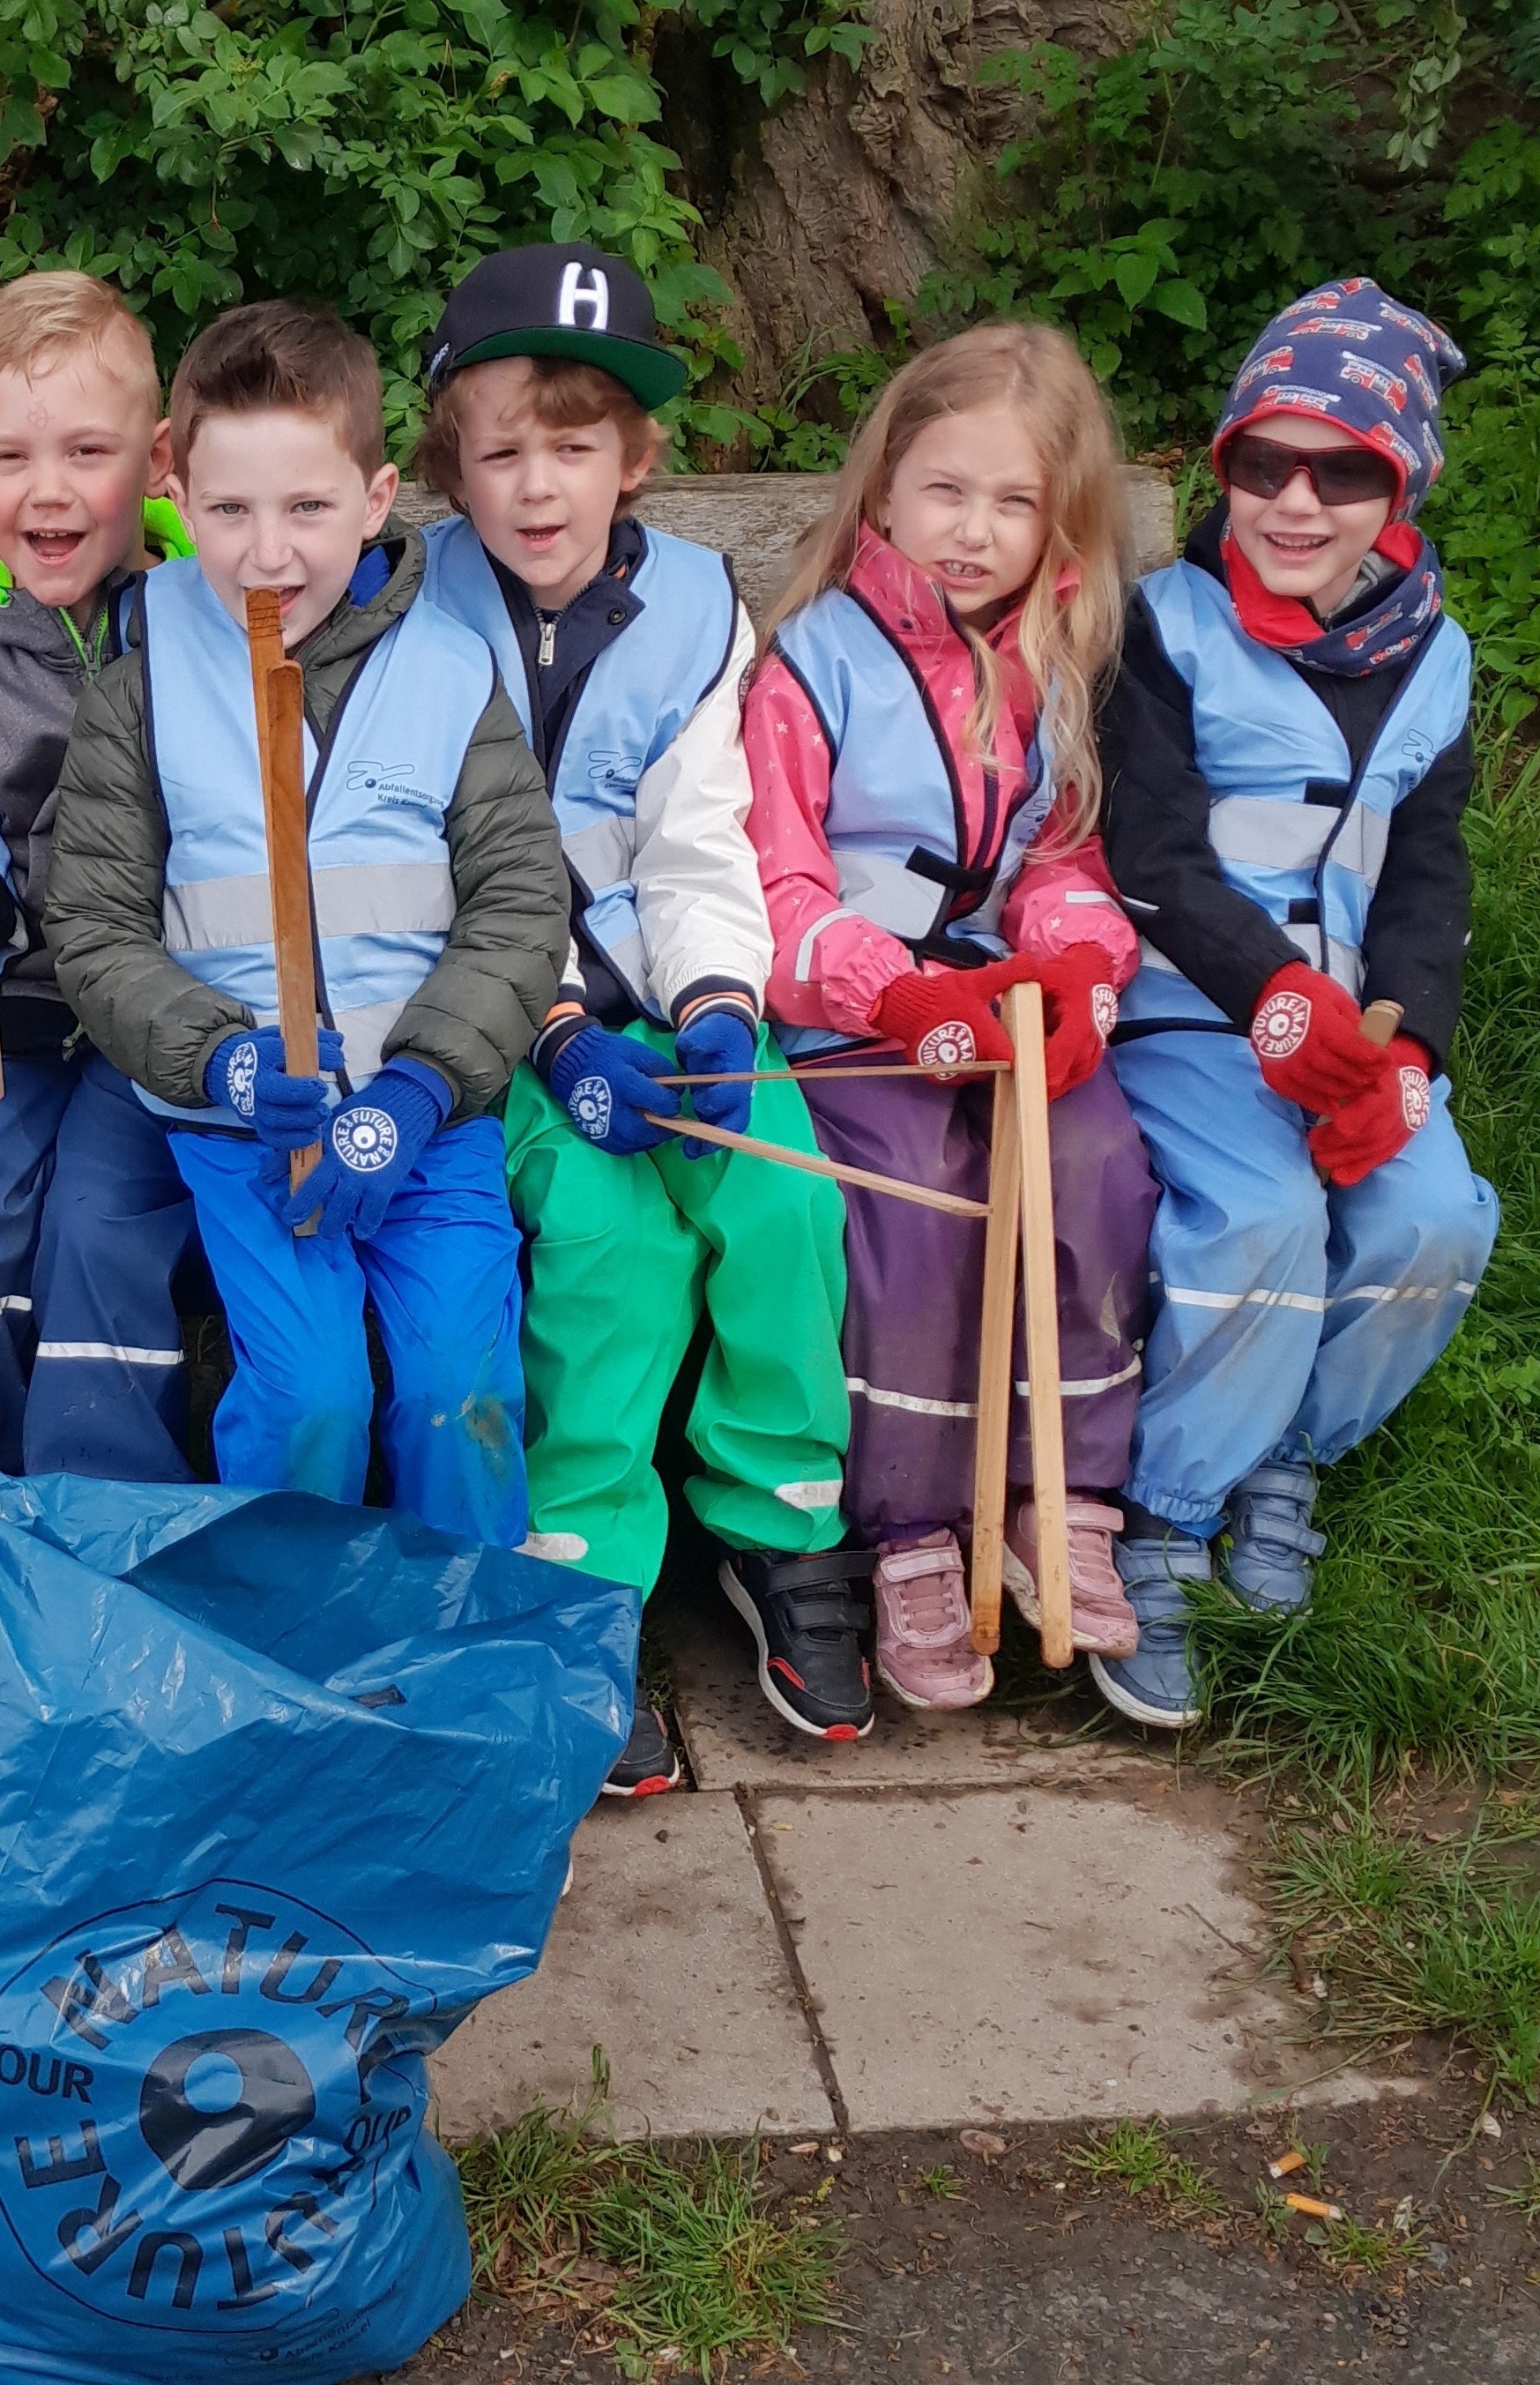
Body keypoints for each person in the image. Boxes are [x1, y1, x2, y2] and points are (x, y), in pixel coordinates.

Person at [412, 244, 856, 1773]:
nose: (541, 486)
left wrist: (721, 1012)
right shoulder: (419, 607)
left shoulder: (694, 610)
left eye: (577, 443)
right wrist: (550, 1033)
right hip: (504, 1021)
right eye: (503, 449)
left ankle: (775, 1517)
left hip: (669, 998)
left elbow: (700, 835)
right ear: (452, 465)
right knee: (612, 1244)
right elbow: (434, 862)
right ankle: (587, 1572)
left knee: (787, 1194)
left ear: (638, 455)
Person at [46, 300, 568, 1547]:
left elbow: (518, 905)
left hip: (431, 1117)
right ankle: (286, 1650)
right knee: (310, 1393)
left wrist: (423, 1090)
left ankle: (461, 1651)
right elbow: (98, 929)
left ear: (379, 497)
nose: (265, 553)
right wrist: (226, 1056)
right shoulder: (145, 676)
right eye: (228, 511)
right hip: (243, 1123)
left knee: (460, 1393)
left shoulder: (451, 671)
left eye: (308, 509)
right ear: (178, 485)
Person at [1095, 281, 1499, 1728]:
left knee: (1432, 1218)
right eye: (1262, 463)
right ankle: (1162, 1519)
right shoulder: (1168, 625)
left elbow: (1426, 873)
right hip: (1195, 1011)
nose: (1295, 501)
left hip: (1357, 1029)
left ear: (1401, 489)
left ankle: (1284, 1454)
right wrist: (1272, 1000)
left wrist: (1406, 1045)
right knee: (1258, 1221)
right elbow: (1147, 851)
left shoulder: (1437, 657)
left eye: (1343, 472)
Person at [748, 320, 1159, 1713]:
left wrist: (1075, 978)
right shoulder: (813, 663)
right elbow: (779, 880)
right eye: (945, 492)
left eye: (1012, 501)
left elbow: (1062, 861)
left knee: (1100, 1162)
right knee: (917, 1195)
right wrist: (899, 988)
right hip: (862, 1015)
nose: (972, 533)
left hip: (1003, 1002)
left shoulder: (1059, 656)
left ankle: (1061, 1493)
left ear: (1059, 520)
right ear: (883, 489)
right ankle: (914, 1529)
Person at [0, 272, 203, 1488]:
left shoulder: (211, 615)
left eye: (88, 451)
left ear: (161, 458)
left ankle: (102, 1549)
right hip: (7, 1011)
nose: (48, 490)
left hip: (170, 1012)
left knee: (95, 1230)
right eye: (10, 456)